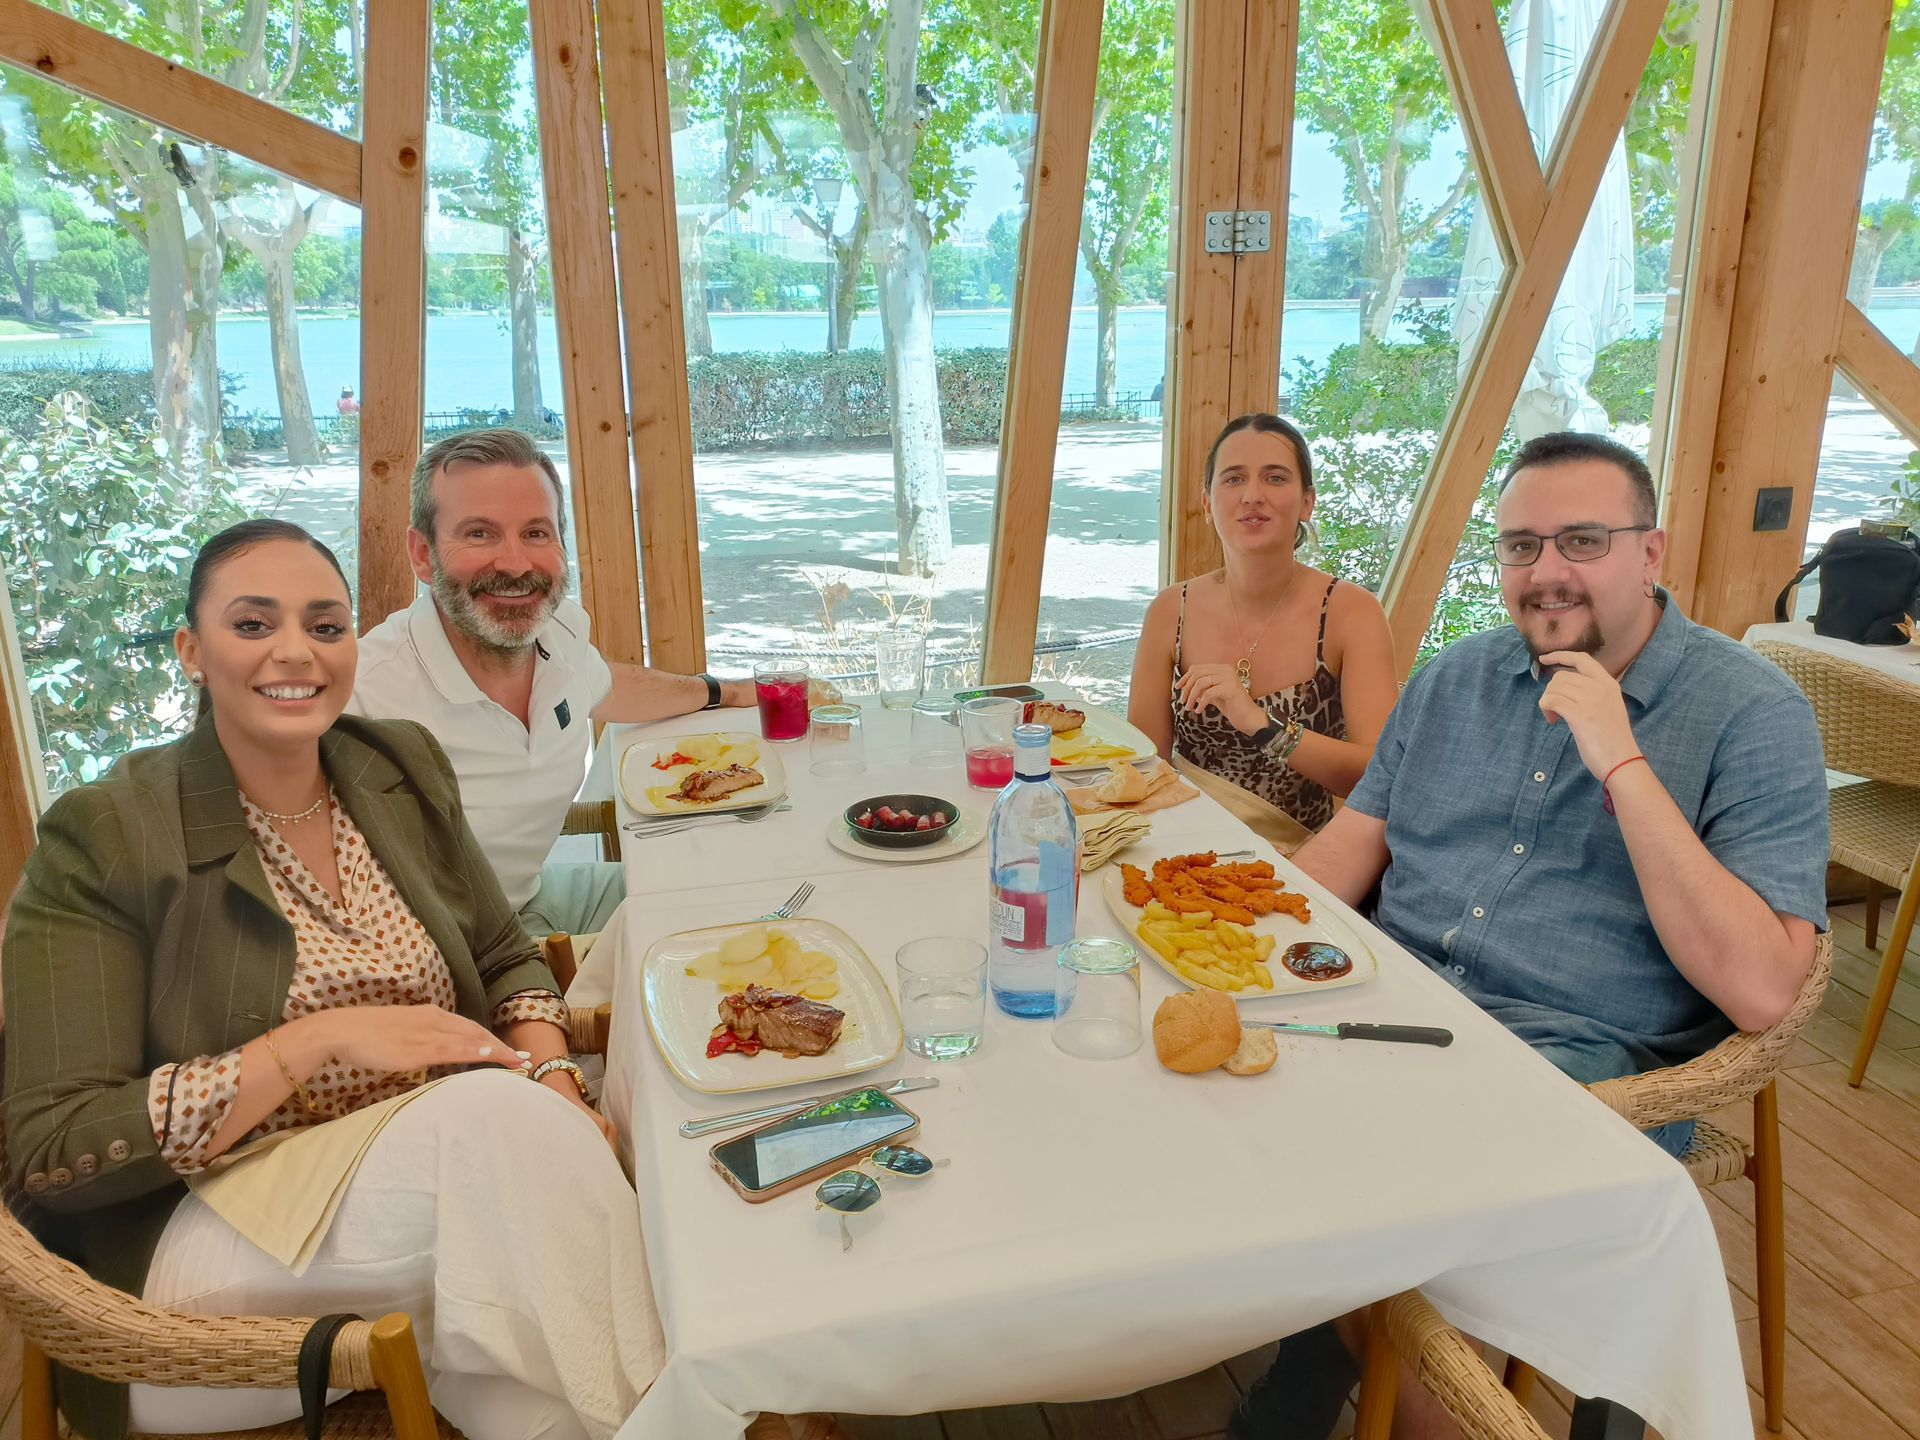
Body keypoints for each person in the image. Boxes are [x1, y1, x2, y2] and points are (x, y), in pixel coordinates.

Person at [2, 520, 663, 1440]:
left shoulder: (389, 763)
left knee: (527, 1350)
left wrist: (553, 1074)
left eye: (325, 624)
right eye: (252, 624)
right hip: (200, 1239)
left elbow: (505, 953)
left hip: (451, 1189)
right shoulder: (107, 834)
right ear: (192, 650)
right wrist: (315, 1043)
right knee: (503, 1141)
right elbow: (51, 1147)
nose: (294, 653)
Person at [1227, 432, 1830, 1440]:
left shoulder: (1751, 714)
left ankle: (1319, 1387)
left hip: (1577, 1057)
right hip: (1392, 1010)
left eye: (1583, 540)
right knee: (1208, 1111)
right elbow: (1347, 859)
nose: (1545, 572)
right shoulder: (1458, 678)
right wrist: (1235, 944)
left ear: (1653, 552)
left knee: (1366, 1192)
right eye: (1519, 547)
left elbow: (1766, 990)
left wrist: (1620, 758)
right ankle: (1313, 1368)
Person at [347, 429, 756, 939]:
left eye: (536, 533)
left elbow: (608, 686)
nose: (516, 564)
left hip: (531, 898)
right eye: (479, 533)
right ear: (424, 554)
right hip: (446, 956)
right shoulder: (362, 696)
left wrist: (725, 692)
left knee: (746, 896)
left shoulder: (559, 630)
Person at [1128, 413, 1397, 836]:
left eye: (1275, 478)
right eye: (1234, 479)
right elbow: (1145, 766)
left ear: (1307, 501)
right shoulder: (1169, 611)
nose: (1252, 495)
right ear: (1207, 502)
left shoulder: (1352, 612)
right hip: (1184, 847)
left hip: (1299, 860)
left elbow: (1378, 775)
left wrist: (1261, 724)